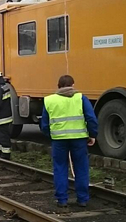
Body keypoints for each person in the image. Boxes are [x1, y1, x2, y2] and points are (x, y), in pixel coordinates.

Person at [40, 75, 99, 208]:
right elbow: (91, 118)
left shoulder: (49, 100)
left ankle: (62, 200)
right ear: (73, 85)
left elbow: (44, 124)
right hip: (79, 140)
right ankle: (82, 199)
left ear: (58, 86)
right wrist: (92, 134)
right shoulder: (81, 98)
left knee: (60, 168)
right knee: (81, 168)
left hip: (59, 141)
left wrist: (51, 135)